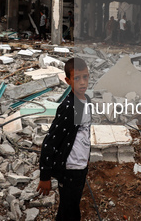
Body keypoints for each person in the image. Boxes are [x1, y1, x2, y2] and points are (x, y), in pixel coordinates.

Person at [37, 58, 91, 221]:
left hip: (81, 166)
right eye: (77, 78)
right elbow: (50, 141)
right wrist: (45, 176)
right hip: (69, 169)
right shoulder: (68, 107)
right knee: (69, 209)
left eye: (85, 77)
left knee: (71, 206)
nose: (82, 82)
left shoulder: (87, 100)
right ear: (68, 81)